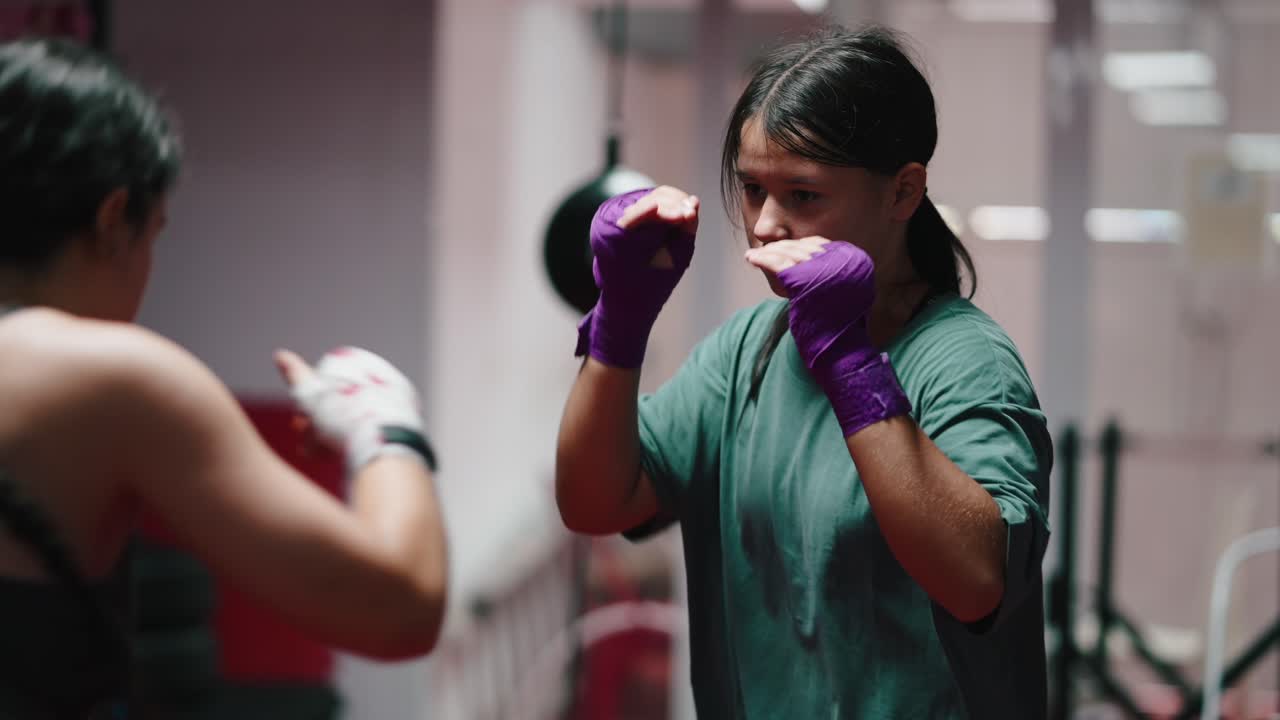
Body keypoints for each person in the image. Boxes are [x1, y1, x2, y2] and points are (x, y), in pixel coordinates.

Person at [556, 25, 1052, 719]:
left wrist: (850, 364)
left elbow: (977, 583)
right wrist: (620, 322)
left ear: (903, 193)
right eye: (752, 189)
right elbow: (595, 504)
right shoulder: (748, 350)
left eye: (803, 195)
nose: (764, 224)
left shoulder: (965, 362)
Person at [0, 37, 447, 717]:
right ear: (114, 221)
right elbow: (399, 607)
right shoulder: (112, 379)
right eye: (155, 234)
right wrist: (384, 423)